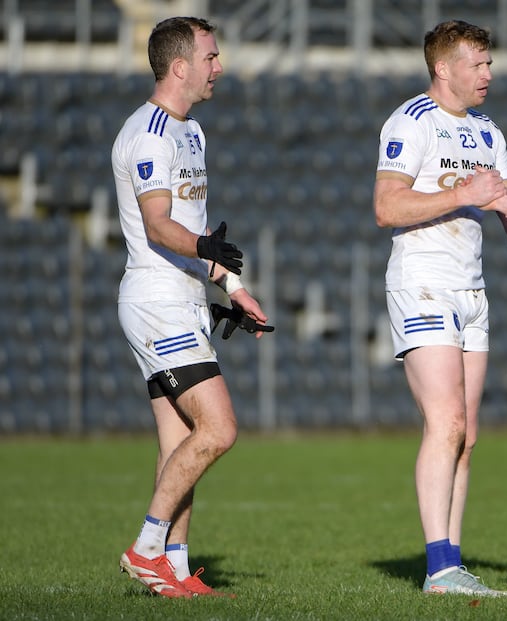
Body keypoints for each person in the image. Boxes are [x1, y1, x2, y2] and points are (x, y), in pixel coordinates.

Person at [373, 20, 507, 597]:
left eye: (489, 63)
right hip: (423, 285)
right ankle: (440, 567)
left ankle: (451, 566)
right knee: (445, 423)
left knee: (467, 435)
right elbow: (386, 207)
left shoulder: (487, 132)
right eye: (477, 64)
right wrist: (461, 195)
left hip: (472, 292)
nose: (488, 74)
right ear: (443, 68)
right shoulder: (410, 121)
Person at [112, 16, 269, 598]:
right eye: (211, 56)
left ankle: (173, 570)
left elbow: (196, 231)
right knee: (220, 429)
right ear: (180, 66)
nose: (218, 67)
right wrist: (204, 247)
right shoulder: (149, 133)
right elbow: (159, 225)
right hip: (157, 302)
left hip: (184, 298)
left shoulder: (192, 131)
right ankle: (146, 547)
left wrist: (231, 289)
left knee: (179, 444)